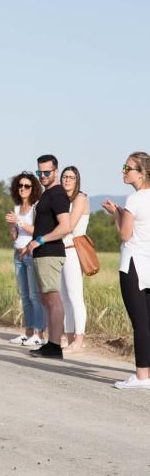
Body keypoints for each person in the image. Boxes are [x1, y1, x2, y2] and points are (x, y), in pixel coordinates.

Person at [102, 152, 150, 389]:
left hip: (133, 264)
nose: (123, 171)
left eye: (127, 167)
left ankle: (142, 376)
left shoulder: (134, 200)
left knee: (140, 322)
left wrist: (116, 214)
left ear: (141, 173)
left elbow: (125, 234)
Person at [22, 154, 71, 359]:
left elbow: (65, 227)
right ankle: (50, 343)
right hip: (42, 254)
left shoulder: (57, 194)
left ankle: (54, 346)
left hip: (50, 253)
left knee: (53, 299)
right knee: (46, 298)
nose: (42, 176)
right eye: (39, 172)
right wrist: (31, 243)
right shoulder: (47, 194)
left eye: (46, 172)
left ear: (56, 172)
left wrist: (40, 240)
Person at [5, 172, 46, 346]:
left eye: (27, 186)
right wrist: (11, 226)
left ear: (33, 189)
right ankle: (28, 332)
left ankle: (39, 334)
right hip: (18, 254)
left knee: (35, 295)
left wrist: (19, 221)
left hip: (30, 253)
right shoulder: (16, 208)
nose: (23, 189)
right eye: (20, 186)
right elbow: (14, 236)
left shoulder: (36, 208)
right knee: (24, 295)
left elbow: (38, 231)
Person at [60, 166, 90, 353]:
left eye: (71, 177)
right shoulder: (63, 199)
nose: (67, 180)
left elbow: (69, 225)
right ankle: (70, 337)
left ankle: (79, 340)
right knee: (65, 298)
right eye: (65, 177)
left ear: (77, 180)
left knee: (75, 296)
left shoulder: (81, 198)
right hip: (60, 250)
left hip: (72, 250)